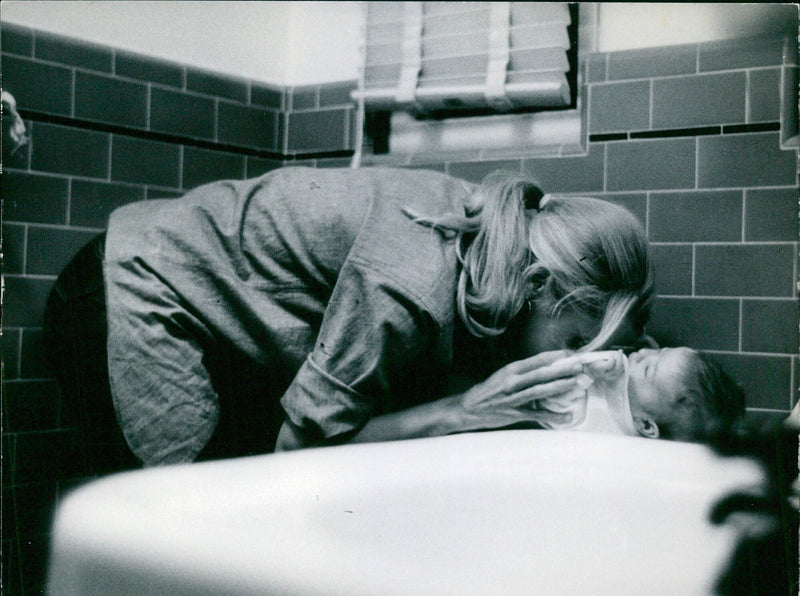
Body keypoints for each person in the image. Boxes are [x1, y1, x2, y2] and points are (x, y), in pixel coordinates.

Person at [44, 167, 654, 470]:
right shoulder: (415, 281)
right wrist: (465, 410)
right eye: (576, 340)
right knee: (191, 517)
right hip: (127, 288)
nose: (575, 363)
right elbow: (298, 449)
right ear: (539, 285)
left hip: (205, 311)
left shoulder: (504, 234)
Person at [522, 347, 745, 443]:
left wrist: (585, 370)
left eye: (648, 368)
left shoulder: (595, 405)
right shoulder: (629, 402)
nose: (643, 353)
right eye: (660, 351)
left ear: (647, 425)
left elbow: (544, 400)